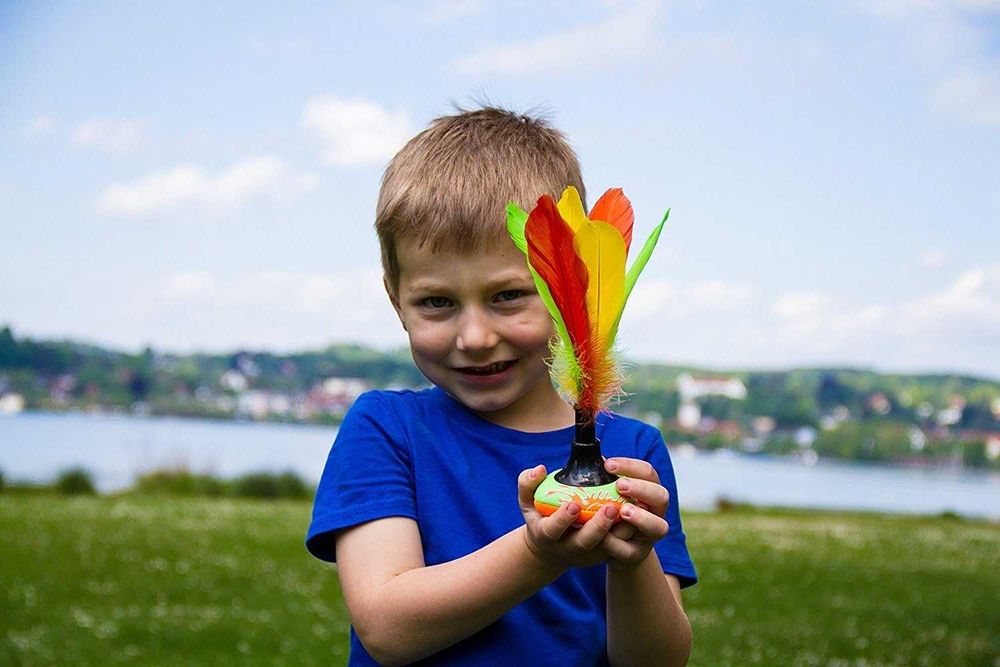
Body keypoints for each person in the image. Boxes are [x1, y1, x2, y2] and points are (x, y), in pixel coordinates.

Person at [306, 106, 697, 666]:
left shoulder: (633, 453)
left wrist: (632, 563)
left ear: (571, 289)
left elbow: (655, 662)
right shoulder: (386, 430)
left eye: (508, 296)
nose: (474, 336)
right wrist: (538, 553)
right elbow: (388, 628)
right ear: (397, 301)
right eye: (437, 303)